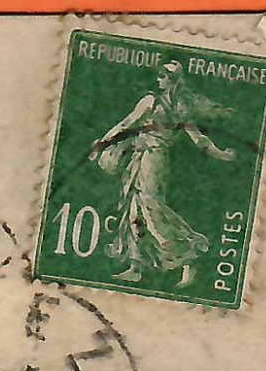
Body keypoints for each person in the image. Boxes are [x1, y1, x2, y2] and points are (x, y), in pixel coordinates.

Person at [89, 60, 237, 288]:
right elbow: (125, 124)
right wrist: (104, 143)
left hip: (155, 159)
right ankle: (136, 267)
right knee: (133, 207)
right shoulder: (150, 101)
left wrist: (222, 154)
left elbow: (198, 139)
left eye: (164, 75)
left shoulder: (178, 108)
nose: (159, 79)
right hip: (141, 156)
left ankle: (189, 256)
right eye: (159, 75)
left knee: (151, 208)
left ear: (174, 80)